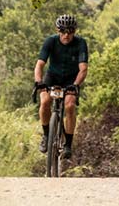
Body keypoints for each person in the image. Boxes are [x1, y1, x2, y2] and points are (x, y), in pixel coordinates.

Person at [35, 14, 89, 160]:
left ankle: (68, 145)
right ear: (58, 30)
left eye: (70, 32)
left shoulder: (80, 43)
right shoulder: (50, 41)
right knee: (45, 101)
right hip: (52, 77)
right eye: (63, 31)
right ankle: (46, 135)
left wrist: (76, 85)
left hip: (71, 79)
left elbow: (83, 69)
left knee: (70, 105)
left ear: (74, 31)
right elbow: (40, 64)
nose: (66, 35)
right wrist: (38, 81)